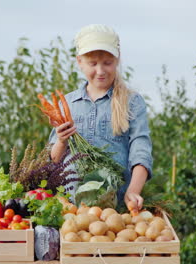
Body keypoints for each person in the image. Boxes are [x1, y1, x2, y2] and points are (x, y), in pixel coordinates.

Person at [49, 24, 153, 213]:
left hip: (115, 209)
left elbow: (141, 151)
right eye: (93, 63)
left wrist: (133, 191)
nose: (100, 71)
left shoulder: (132, 102)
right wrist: (61, 141)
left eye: (107, 62)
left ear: (117, 59)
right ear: (79, 61)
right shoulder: (69, 103)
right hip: (71, 211)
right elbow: (53, 161)